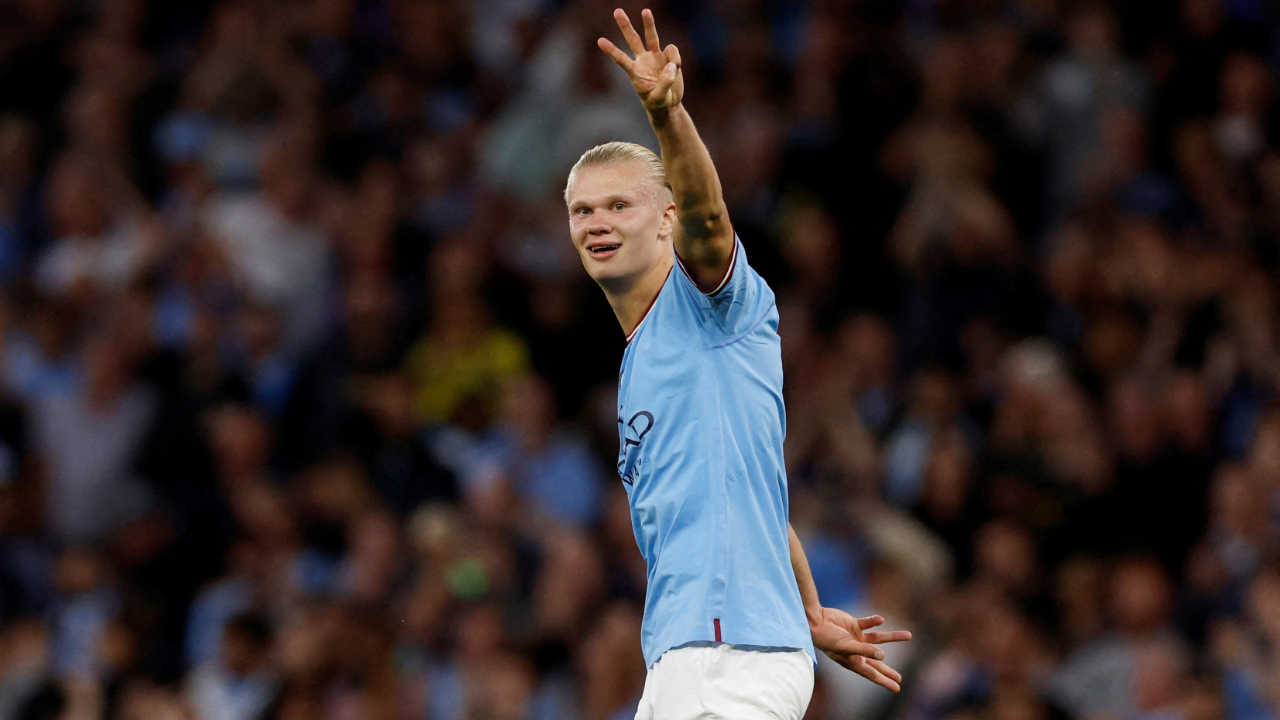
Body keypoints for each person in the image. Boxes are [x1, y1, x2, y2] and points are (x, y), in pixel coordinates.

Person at [563, 9, 911, 719]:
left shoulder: (716, 308)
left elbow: (711, 217)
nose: (596, 222)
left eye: (619, 205)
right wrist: (807, 607)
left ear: (664, 220)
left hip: (730, 658)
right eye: (581, 210)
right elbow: (751, 487)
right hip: (683, 657)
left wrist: (668, 116)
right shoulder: (644, 358)